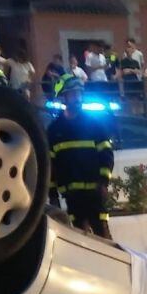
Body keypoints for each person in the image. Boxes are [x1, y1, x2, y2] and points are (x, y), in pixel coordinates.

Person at [46, 75, 115, 239]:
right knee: (79, 239)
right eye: (73, 94)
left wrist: (104, 182)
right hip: (72, 196)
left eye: (79, 94)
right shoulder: (54, 130)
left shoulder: (94, 124)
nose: (77, 98)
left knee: (104, 236)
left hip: (95, 192)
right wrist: (52, 194)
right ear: (63, 97)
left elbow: (106, 154)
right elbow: (50, 164)